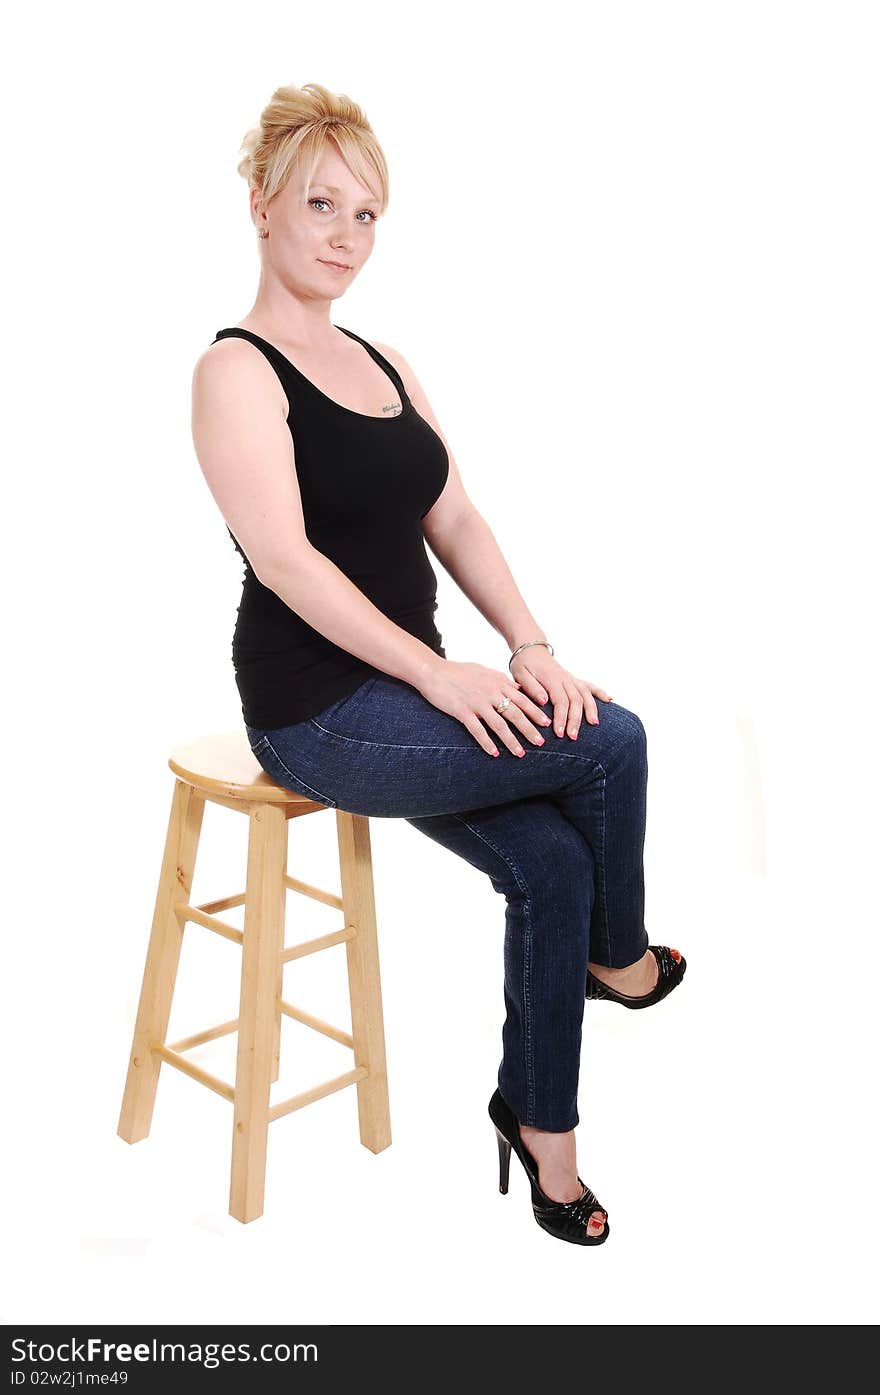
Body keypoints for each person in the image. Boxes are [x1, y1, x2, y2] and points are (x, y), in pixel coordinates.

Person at [191, 81, 686, 1247]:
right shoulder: (235, 372)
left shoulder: (388, 361)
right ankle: (618, 964)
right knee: (611, 744)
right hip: (319, 711)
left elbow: (453, 517)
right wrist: (436, 674)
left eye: (367, 215)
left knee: (558, 864)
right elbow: (288, 562)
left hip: (418, 686)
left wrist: (528, 649)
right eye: (320, 204)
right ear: (260, 204)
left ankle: (538, 1129)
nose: (345, 238)